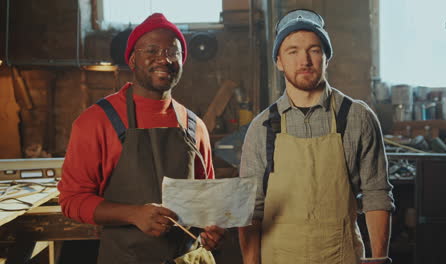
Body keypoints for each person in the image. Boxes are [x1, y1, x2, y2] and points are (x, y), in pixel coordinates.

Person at [58, 13, 224, 264]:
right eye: (152, 50)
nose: (164, 59)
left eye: (173, 52)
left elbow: (205, 200)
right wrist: (133, 214)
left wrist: (210, 228)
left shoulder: (194, 126)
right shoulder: (97, 121)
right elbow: (72, 200)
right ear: (133, 59)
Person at [238, 9, 394, 264]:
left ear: (326, 57)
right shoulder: (262, 127)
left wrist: (378, 260)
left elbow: (376, 195)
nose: (305, 61)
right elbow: (250, 209)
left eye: (314, 49)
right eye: (293, 51)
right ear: (278, 61)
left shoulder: (357, 117)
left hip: (341, 257)